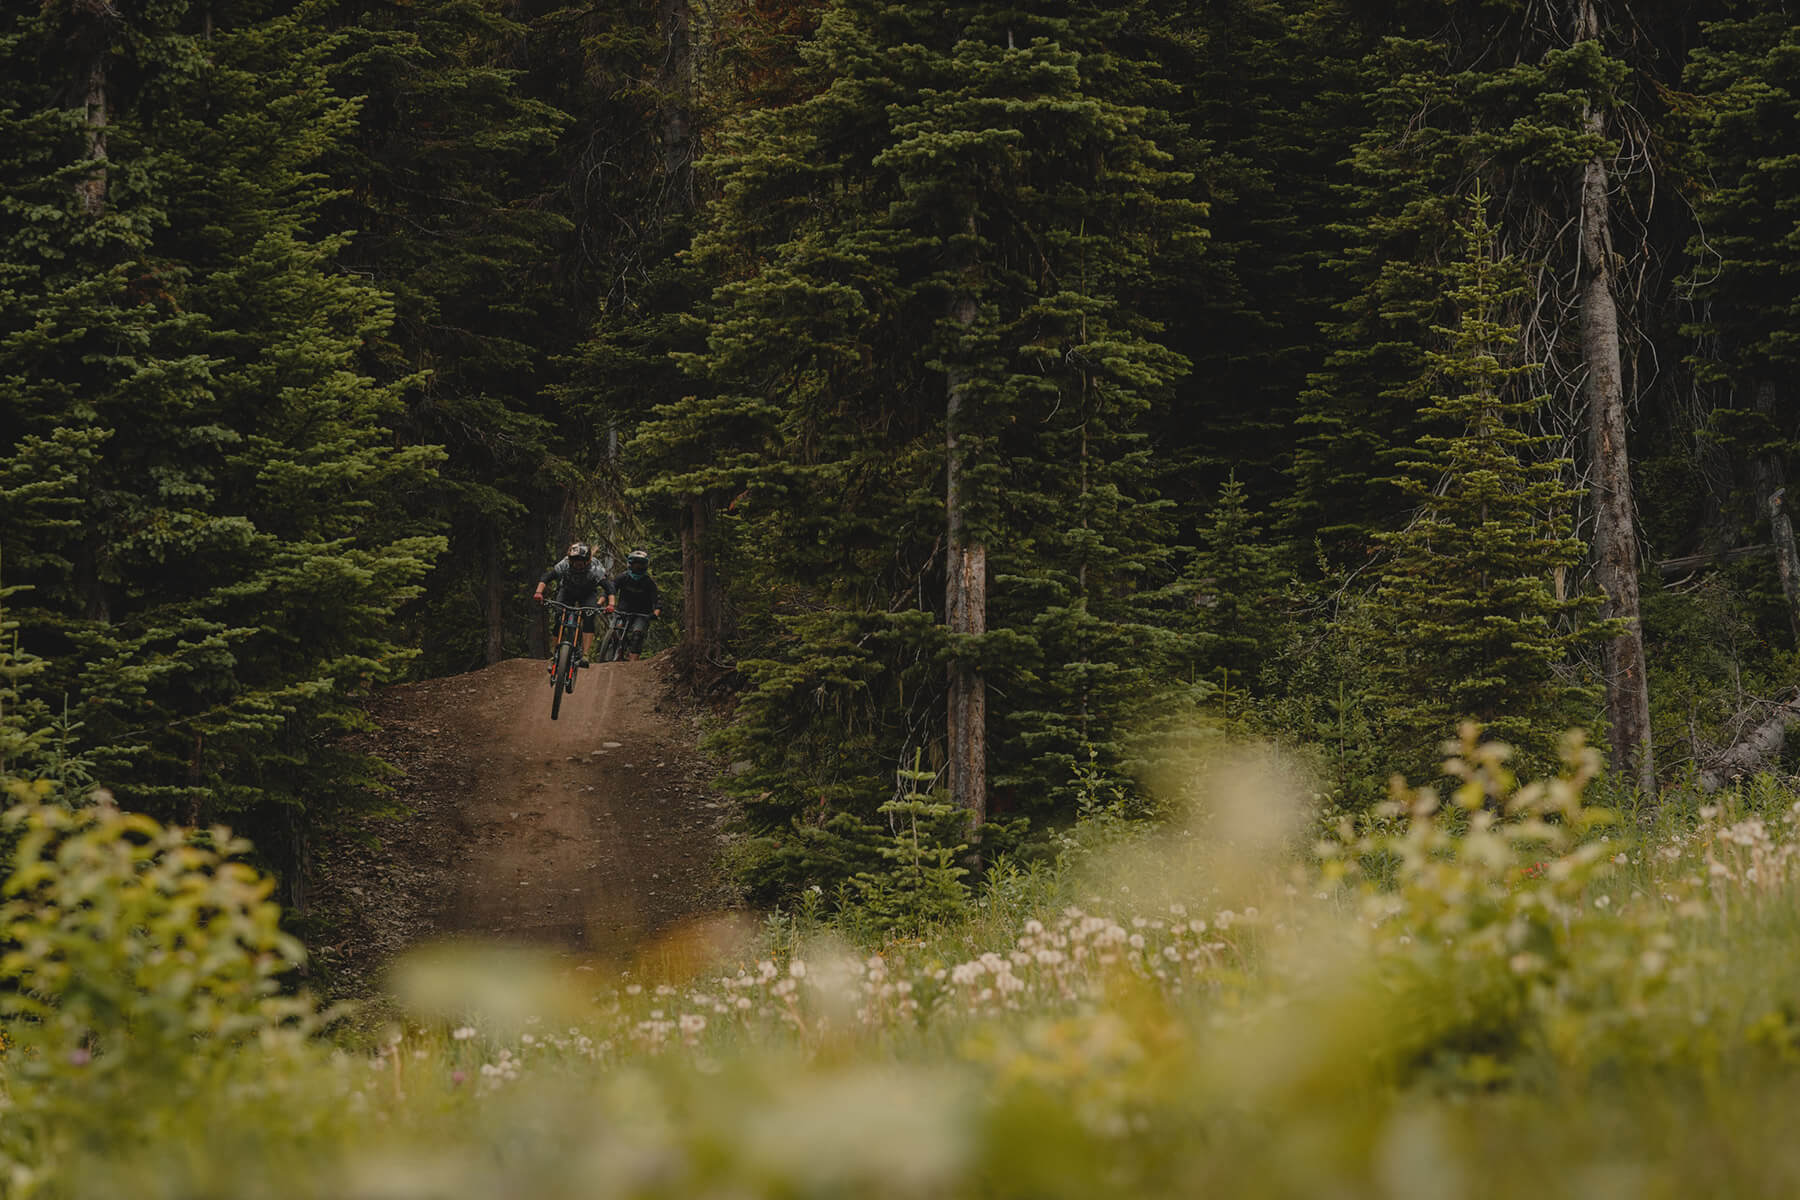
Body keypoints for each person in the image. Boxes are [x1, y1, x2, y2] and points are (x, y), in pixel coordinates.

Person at [533, 542, 611, 667]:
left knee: (589, 617)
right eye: (574, 560)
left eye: (581, 560)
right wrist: (538, 592)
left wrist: (611, 604)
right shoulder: (564, 564)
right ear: (570, 559)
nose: (578, 563)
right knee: (559, 616)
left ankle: (585, 655)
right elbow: (547, 577)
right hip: (567, 591)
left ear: (587, 560)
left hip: (587, 593)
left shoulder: (595, 567)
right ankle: (555, 653)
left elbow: (608, 587)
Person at [607, 549, 661, 660]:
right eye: (636, 564)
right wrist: (608, 603)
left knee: (637, 636)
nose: (638, 567)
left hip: (641, 614)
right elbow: (611, 589)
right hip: (622, 611)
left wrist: (655, 613)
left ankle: (632, 663)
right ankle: (611, 653)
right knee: (615, 631)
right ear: (631, 564)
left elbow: (657, 600)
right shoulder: (623, 577)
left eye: (640, 564)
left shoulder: (648, 582)